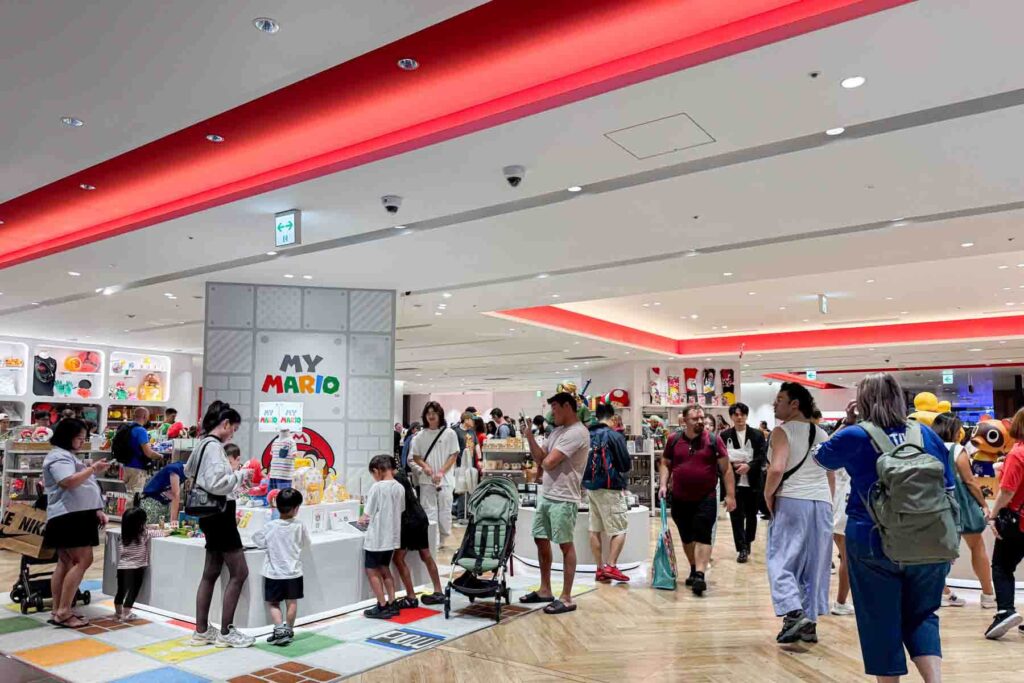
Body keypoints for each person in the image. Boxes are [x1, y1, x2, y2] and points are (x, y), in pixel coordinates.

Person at [815, 373, 954, 682]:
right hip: (930, 541)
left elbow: (821, 460)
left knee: (879, 619)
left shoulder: (854, 435)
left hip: (872, 538)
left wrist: (846, 424)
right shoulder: (926, 435)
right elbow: (948, 487)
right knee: (923, 615)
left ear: (862, 401)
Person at [764, 382, 833, 644]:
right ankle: (809, 621)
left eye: (779, 399)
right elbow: (830, 474)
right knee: (815, 564)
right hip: (821, 502)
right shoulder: (822, 434)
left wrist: (767, 494)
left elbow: (777, 468)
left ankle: (793, 613)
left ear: (795, 404)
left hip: (792, 499)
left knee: (781, 559)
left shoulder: (781, 432)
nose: (774, 404)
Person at [187, 402, 255, 648]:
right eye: (233, 428)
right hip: (221, 513)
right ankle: (226, 631)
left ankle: (202, 630)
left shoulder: (202, 444)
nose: (233, 433)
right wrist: (240, 475)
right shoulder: (215, 448)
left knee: (211, 572)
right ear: (225, 424)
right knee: (240, 572)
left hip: (208, 516)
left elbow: (188, 470)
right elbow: (217, 483)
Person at [519, 392, 591, 614]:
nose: (552, 414)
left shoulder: (577, 433)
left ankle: (567, 597)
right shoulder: (557, 431)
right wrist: (529, 436)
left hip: (564, 497)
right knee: (540, 538)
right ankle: (544, 590)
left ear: (568, 406)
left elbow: (547, 462)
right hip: (547, 494)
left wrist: (543, 459)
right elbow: (540, 456)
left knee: (565, 544)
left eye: (556, 408)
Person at [659, 405, 736, 597]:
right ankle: (694, 568)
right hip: (679, 498)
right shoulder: (673, 440)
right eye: (695, 419)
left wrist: (731, 495)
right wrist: (662, 484)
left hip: (706, 497)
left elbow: (726, 469)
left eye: (702, 418)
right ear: (684, 421)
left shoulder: (713, 440)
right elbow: (666, 463)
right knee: (686, 536)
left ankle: (700, 575)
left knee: (703, 534)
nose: (700, 422)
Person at [42, 418, 110, 629]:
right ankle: (63, 611)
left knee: (66, 562)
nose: (82, 442)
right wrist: (93, 469)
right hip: (70, 516)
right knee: (82, 560)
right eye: (80, 438)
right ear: (68, 437)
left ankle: (59, 609)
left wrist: (96, 508)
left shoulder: (65, 456)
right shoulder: (59, 458)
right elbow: (68, 482)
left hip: (74, 514)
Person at [931, 413, 995, 608]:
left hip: (936, 502)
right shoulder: (957, 449)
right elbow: (970, 481)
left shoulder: (929, 448)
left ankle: (942, 591)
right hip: (961, 504)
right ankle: (988, 595)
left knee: (940, 552)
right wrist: (983, 504)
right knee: (977, 546)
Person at [253, 488, 311, 646]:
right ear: (296, 509)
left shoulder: (271, 526)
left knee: (274, 603)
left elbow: (257, 539)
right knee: (292, 602)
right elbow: (306, 543)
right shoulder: (299, 526)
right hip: (294, 573)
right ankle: (289, 630)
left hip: (274, 573)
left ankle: (278, 630)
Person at [985, 407, 1024, 639]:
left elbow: (1007, 491)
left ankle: (1004, 611)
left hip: (1017, 521)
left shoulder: (1018, 454)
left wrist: (992, 515)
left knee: (1001, 566)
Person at [585, 403, 632, 583]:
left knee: (594, 529)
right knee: (620, 528)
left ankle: (599, 568)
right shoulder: (613, 435)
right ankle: (611, 565)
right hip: (610, 488)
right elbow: (625, 464)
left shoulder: (587, 435)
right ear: (612, 417)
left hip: (591, 487)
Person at [392, 463, 446, 608]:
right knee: (426, 555)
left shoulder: (393, 481)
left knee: (398, 558)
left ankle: (410, 596)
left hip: (408, 520)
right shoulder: (402, 475)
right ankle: (438, 590)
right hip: (420, 515)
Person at [720, 402, 767, 564]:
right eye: (736, 415)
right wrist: (731, 465)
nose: (739, 418)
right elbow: (722, 459)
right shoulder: (725, 436)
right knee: (736, 516)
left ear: (746, 416)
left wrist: (749, 466)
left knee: (752, 516)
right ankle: (742, 548)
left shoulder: (757, 435)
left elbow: (762, 457)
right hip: (734, 483)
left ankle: (748, 542)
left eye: (742, 414)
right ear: (731, 417)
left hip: (753, 482)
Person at [411, 401, 460, 548]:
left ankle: (443, 538)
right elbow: (415, 456)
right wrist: (425, 467)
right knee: (429, 510)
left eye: (434, 413)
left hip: (445, 480)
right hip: (427, 480)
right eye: (428, 413)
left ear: (440, 415)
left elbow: (453, 455)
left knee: (445, 510)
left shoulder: (450, 433)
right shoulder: (419, 436)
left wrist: (441, 472)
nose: (431, 416)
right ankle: (433, 539)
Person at [362, 455, 405, 619]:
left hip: (377, 537)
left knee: (372, 571)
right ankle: (392, 602)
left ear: (376, 471)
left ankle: (382, 605)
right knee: (385, 569)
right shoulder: (399, 487)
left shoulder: (377, 487)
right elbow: (400, 509)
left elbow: (367, 513)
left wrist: (362, 519)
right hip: (392, 537)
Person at [115, 506, 167, 622]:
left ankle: (118, 613)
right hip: (137, 568)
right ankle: (126, 613)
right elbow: (159, 533)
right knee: (133, 591)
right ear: (140, 524)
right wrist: (169, 531)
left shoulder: (122, 536)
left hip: (122, 567)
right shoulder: (143, 534)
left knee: (121, 591)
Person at [831, 465, 854, 616]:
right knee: (848, 559)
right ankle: (840, 602)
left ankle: (841, 602)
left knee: (845, 558)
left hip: (835, 502)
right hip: (847, 503)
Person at [123, 408, 164, 492]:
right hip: (137, 468)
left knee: (127, 495)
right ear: (145, 416)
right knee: (134, 498)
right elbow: (148, 453)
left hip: (125, 467)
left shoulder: (126, 428)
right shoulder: (141, 430)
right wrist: (159, 456)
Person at [140, 460, 186, 525]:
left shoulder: (183, 468)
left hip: (163, 502)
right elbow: (175, 495)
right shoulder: (176, 470)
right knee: (153, 529)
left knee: (164, 529)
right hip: (152, 501)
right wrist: (174, 520)